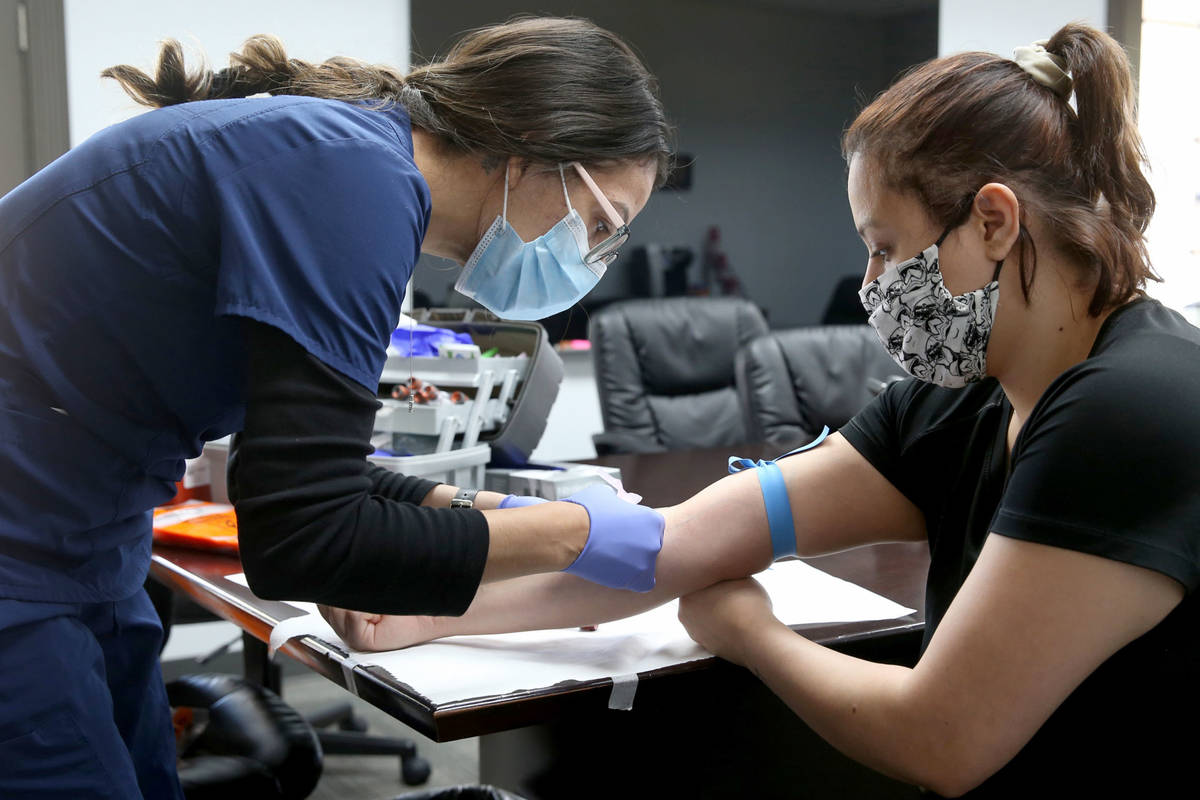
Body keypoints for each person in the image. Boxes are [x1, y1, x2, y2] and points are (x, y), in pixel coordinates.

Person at [320, 23, 1198, 797]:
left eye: (887, 249)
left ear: (996, 222)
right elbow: (680, 547)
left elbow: (944, 738)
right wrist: (428, 613)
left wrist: (750, 632)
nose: (870, 288)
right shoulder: (951, 410)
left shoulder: (1135, 408)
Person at [0, 17, 671, 798]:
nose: (590, 258)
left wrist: (498, 506)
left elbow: (302, 472)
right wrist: (575, 536)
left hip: (80, 534)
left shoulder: (355, 165)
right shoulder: (352, 181)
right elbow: (304, 540)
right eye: (598, 224)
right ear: (529, 147)